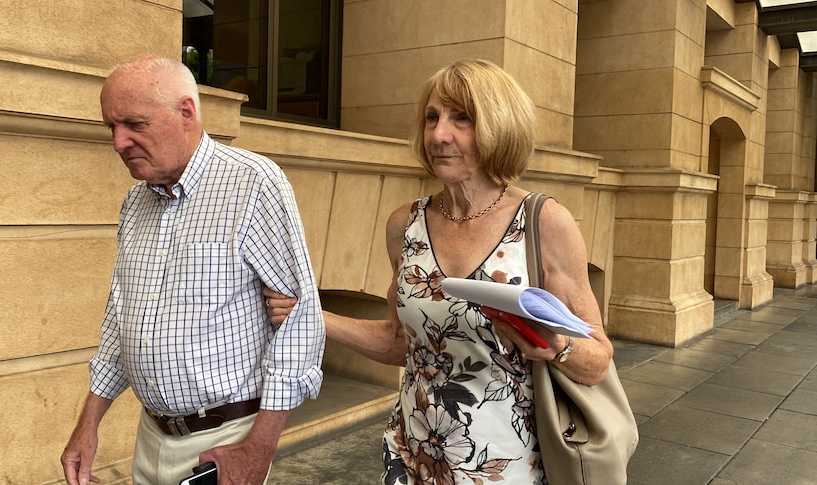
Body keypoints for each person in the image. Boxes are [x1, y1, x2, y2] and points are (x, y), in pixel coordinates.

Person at [264, 58, 613, 483]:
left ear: (500, 126)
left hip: (506, 464)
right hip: (412, 452)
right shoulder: (404, 225)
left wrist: (557, 348)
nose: (438, 134)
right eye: (432, 117)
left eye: (461, 118)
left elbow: (597, 360)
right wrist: (314, 316)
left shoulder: (543, 222)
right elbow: (400, 343)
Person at [60, 55, 325, 485]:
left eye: (134, 124)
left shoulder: (253, 184)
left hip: (224, 443)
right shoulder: (136, 203)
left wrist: (257, 450)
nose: (119, 142)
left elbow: (300, 329)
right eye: (112, 127)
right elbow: (119, 322)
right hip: (150, 436)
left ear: (185, 112)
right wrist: (88, 425)